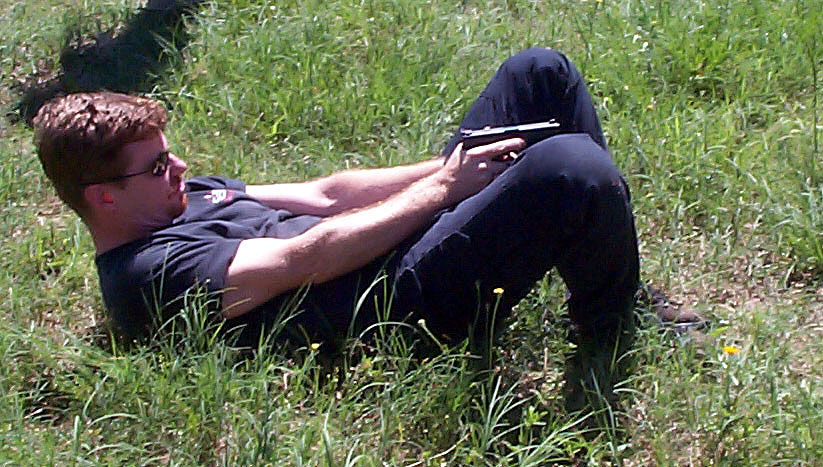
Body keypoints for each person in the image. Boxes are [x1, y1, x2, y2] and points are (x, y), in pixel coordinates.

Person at [33, 48, 639, 409]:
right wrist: (444, 191)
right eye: (158, 165)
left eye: (169, 154)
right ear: (104, 196)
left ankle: (593, 246)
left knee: (540, 75)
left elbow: (326, 195)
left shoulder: (175, 197)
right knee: (569, 166)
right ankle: (610, 318)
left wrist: (457, 168)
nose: (180, 168)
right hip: (396, 299)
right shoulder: (145, 275)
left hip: (390, 236)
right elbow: (304, 259)